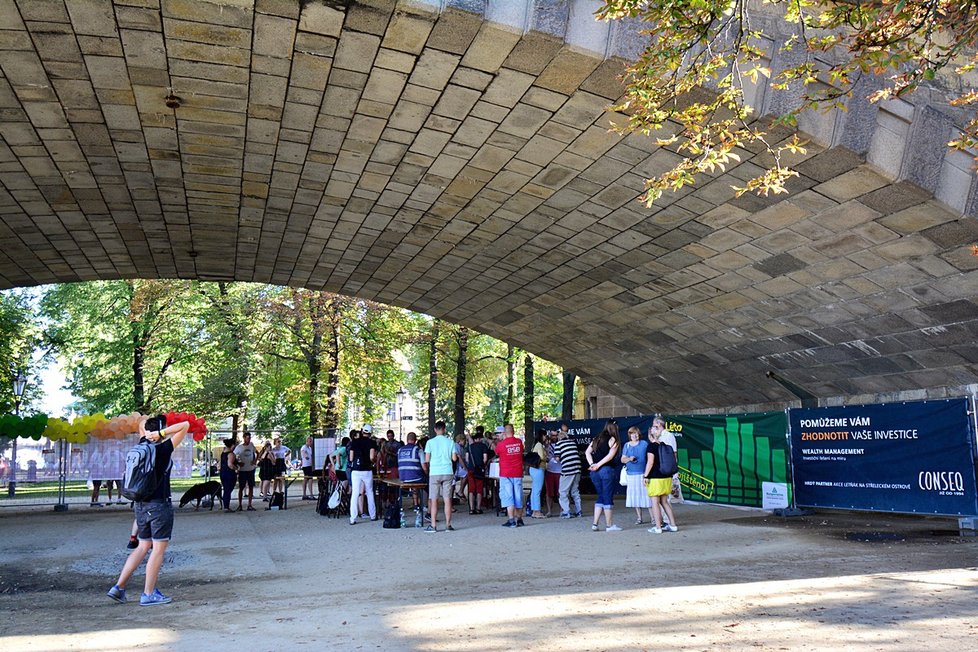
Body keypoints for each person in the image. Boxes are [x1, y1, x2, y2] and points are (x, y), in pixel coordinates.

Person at [106, 415, 190, 606]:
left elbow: (141, 426)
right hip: (159, 505)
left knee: (143, 546)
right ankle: (148, 593)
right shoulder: (161, 449)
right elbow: (184, 425)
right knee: (158, 549)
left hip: (141, 505)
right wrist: (161, 433)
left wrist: (151, 432)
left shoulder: (139, 448)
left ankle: (118, 587)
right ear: (160, 430)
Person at [585, 420, 621, 531]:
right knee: (607, 496)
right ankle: (609, 525)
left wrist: (592, 465)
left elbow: (587, 452)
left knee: (600, 495)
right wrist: (599, 465)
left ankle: (595, 524)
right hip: (606, 470)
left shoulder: (596, 438)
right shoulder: (613, 439)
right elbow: (610, 456)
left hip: (594, 472)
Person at [424, 420, 457, 532]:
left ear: (435, 429)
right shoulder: (450, 442)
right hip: (448, 471)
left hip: (435, 472)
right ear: (444, 429)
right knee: (447, 499)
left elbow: (427, 459)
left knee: (434, 500)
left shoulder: (430, 442)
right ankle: (448, 525)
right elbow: (454, 459)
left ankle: (433, 525)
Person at [646, 421, 679, 534]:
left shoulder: (651, 446)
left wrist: (645, 475)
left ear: (651, 435)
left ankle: (658, 527)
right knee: (665, 502)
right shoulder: (665, 446)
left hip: (655, 478)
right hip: (666, 477)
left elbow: (650, 463)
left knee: (655, 502)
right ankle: (673, 525)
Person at [495, 424, 525, 528]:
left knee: (508, 497)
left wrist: (502, 439)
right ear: (513, 431)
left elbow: (496, 452)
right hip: (518, 473)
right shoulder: (519, 442)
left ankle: (511, 520)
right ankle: (520, 519)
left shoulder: (501, 444)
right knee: (518, 496)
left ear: (504, 432)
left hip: (505, 473)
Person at [621, 426, 653, 525]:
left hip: (643, 473)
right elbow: (622, 459)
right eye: (632, 433)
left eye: (636, 433)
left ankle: (653, 518)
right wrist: (629, 459)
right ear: (629, 435)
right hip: (631, 475)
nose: (634, 435)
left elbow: (649, 458)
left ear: (639, 434)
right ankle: (639, 518)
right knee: (635, 497)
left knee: (648, 497)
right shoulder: (626, 445)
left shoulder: (644, 444)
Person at [348, 426, 376, 524]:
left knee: (355, 493)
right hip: (367, 470)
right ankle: (373, 515)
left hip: (355, 470)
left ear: (362, 431)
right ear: (370, 433)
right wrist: (372, 461)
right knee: (370, 492)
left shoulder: (354, 442)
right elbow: (372, 457)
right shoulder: (372, 442)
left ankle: (353, 518)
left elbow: (351, 458)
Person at [553, 425, 583, 518]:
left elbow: (557, 459)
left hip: (567, 470)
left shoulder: (559, 444)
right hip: (577, 468)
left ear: (559, 437)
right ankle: (579, 511)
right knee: (575, 490)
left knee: (562, 491)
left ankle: (566, 511)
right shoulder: (572, 442)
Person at [396, 432, 427, 511]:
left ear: (407, 440)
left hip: (403, 478)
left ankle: (416, 504)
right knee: (428, 483)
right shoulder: (418, 450)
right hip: (416, 478)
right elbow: (424, 467)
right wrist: (427, 473)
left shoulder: (400, 450)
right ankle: (425, 506)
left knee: (414, 480)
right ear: (415, 440)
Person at [464, 431, 489, 515]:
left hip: (471, 469)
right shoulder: (484, 446)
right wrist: (483, 466)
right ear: (479, 439)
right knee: (479, 489)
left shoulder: (469, 447)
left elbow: (467, 459)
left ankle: (471, 509)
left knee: (471, 489)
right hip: (479, 470)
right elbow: (485, 459)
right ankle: (478, 508)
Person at [233, 431, 257, 511]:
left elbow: (257, 452)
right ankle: (240, 505)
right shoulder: (239, 447)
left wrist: (255, 460)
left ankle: (249, 504)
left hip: (250, 469)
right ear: (244, 438)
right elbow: (233, 456)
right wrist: (238, 463)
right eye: (247, 438)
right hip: (242, 470)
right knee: (241, 487)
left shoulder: (251, 445)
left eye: (249, 438)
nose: (248, 440)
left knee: (251, 487)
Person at [527, 429, 547, 518]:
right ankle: (537, 511)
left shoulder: (534, 445)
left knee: (534, 490)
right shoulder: (539, 445)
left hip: (533, 469)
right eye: (545, 435)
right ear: (542, 436)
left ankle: (534, 510)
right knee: (538, 491)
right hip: (539, 469)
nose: (546, 437)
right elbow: (542, 456)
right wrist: (547, 457)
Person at [544, 431, 561, 516]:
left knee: (561, 492)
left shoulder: (561, 444)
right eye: (552, 435)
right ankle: (549, 511)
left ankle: (563, 510)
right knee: (549, 492)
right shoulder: (546, 446)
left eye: (556, 435)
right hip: (549, 470)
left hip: (559, 471)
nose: (554, 437)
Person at [219, 437, 237, 512]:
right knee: (228, 490)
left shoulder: (223, 453)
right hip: (229, 473)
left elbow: (219, 464)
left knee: (226, 489)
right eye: (234, 445)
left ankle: (225, 505)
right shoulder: (231, 454)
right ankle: (226, 506)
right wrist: (236, 468)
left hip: (223, 473)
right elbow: (230, 465)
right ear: (232, 445)